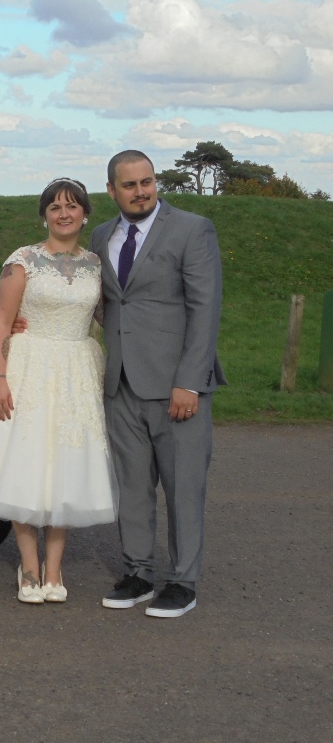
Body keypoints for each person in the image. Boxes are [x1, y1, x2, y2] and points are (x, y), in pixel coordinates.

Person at [0, 178, 117, 605]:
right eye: (55, 207)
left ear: (85, 213)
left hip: (77, 371)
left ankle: (55, 569)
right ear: (44, 215)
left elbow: (107, 316)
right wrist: (0, 379)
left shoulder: (95, 265)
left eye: (72, 206)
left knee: (66, 465)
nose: (64, 213)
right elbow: (2, 321)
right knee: (24, 462)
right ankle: (29, 566)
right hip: (27, 369)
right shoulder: (21, 262)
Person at [91, 150, 226, 618]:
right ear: (112, 190)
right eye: (129, 185)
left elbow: (204, 309)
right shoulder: (101, 235)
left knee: (183, 486)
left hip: (177, 387)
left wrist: (191, 380)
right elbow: (104, 304)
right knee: (132, 486)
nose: (141, 191)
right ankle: (138, 573)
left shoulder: (192, 229)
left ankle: (183, 581)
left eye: (147, 182)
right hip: (121, 383)